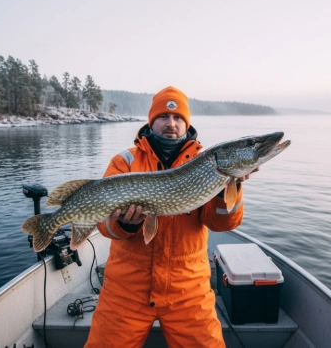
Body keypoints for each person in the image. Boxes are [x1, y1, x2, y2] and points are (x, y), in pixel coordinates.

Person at [84, 86, 258, 348]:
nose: (171, 124)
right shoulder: (125, 161)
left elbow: (222, 223)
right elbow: (105, 225)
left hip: (188, 290)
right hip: (126, 290)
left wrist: (227, 192)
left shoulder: (206, 163)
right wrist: (123, 223)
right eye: (163, 117)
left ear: (186, 123)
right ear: (151, 121)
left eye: (178, 118)